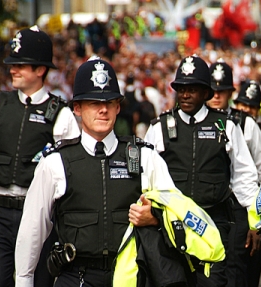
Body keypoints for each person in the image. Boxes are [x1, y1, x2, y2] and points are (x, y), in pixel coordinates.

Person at [15, 56, 197, 286]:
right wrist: (24, 280)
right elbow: (33, 228)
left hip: (131, 276)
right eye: (93, 103)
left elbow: (178, 213)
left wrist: (155, 218)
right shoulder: (55, 163)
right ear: (77, 108)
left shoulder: (145, 157)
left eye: (109, 102)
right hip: (75, 276)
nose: (103, 110)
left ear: (118, 107)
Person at [0, 25, 80, 287]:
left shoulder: (61, 113)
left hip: (39, 215)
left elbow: (74, 166)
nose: (13, 69)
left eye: (20, 64)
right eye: (12, 63)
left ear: (40, 70)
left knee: (38, 282)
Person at [145, 55, 260, 287]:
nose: (186, 94)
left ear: (206, 93)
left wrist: (254, 221)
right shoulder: (159, 128)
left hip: (214, 224)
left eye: (193, 89)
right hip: (172, 226)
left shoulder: (226, 125)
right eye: (182, 89)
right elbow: (146, 180)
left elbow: (244, 176)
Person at [207, 60, 261, 287]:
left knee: (235, 271)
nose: (216, 96)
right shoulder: (192, 123)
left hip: (239, 209)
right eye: (212, 90)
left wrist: (258, 219)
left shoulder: (245, 123)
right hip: (207, 206)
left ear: (231, 93)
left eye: (221, 91)